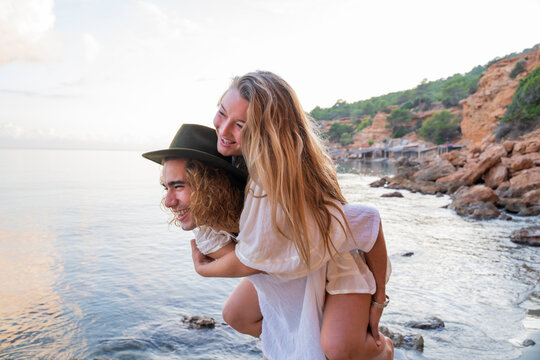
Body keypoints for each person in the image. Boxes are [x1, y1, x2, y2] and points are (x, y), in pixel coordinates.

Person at [192, 71, 393, 359]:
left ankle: (382, 350)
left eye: (240, 125)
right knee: (237, 315)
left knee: (337, 348)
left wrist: (378, 300)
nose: (223, 131)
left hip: (333, 264)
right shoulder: (242, 163)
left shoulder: (279, 186)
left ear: (266, 132)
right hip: (294, 264)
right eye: (222, 113)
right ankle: (301, 343)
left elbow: (369, 221)